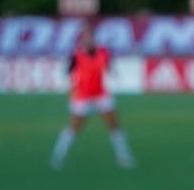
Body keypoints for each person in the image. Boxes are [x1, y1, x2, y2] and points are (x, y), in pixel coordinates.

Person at [49, 29, 135, 170]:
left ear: (94, 39)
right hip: (82, 95)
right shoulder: (76, 55)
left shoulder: (103, 52)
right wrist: (71, 89)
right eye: (85, 39)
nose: (87, 41)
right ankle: (59, 154)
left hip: (100, 93)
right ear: (82, 41)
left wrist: (115, 74)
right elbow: (67, 73)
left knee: (114, 124)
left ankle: (123, 155)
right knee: (75, 126)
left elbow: (109, 68)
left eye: (90, 38)